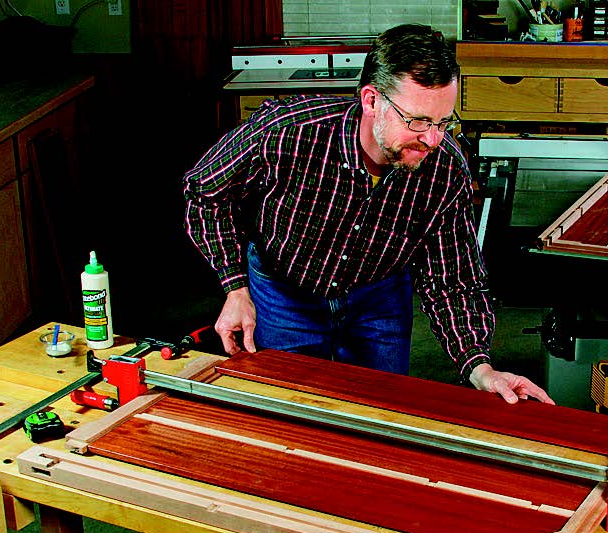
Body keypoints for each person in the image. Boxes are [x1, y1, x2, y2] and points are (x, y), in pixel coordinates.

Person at [182, 23, 552, 405]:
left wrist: (480, 366)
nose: (433, 139)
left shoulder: (445, 169)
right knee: (286, 408)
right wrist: (235, 288)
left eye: (443, 122)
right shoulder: (286, 132)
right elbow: (204, 192)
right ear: (372, 101)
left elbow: (453, 280)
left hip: (379, 295)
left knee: (380, 411)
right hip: (284, 290)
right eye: (418, 121)